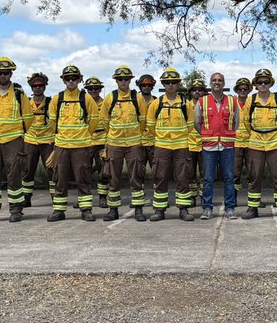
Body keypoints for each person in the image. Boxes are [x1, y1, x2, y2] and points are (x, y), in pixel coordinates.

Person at [0, 56, 33, 223]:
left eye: (6, 73)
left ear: (11, 74)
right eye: (0, 73)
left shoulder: (18, 93)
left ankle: (16, 210)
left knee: (14, 175)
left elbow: (28, 117)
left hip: (13, 141)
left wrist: (16, 133)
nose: (3, 76)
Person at [238, 69, 277, 219]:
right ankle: (253, 208)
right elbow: (245, 121)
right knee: (254, 176)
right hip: (255, 144)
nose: (263, 84)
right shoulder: (251, 99)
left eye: (266, 81)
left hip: (275, 144)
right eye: (260, 82)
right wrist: (255, 134)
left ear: (270, 83)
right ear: (255, 84)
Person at [47, 65, 98, 221]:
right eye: (68, 78)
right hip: (62, 146)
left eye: (74, 78)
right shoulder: (58, 98)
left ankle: (86, 210)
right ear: (63, 80)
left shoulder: (86, 98)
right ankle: (59, 211)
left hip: (81, 146)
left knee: (83, 178)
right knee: (60, 179)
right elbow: (52, 123)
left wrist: (84, 135)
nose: (71, 81)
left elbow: (94, 120)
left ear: (79, 79)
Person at [145, 68, 195, 221]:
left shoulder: (186, 104)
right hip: (162, 146)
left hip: (181, 146)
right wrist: (163, 137)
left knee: (183, 177)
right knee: (160, 177)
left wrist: (178, 137)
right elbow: (151, 125)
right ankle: (160, 210)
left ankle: (183, 209)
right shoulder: (156, 103)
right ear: (163, 84)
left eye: (173, 82)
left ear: (178, 84)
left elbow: (190, 125)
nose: (170, 85)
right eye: (167, 82)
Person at [102, 65, 147, 221]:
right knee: (113, 178)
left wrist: (135, 136)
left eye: (126, 79)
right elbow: (105, 121)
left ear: (130, 80)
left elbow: (143, 121)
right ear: (116, 81)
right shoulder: (110, 97)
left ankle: (138, 210)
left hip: (134, 143)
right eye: (120, 79)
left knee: (136, 177)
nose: (123, 81)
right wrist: (113, 136)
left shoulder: (137, 98)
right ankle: (113, 210)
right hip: (115, 144)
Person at [195, 72, 238, 219]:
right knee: (208, 178)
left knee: (229, 178)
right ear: (210, 83)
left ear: (224, 83)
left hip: (227, 146)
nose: (217, 82)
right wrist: (207, 135)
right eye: (214, 80)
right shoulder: (202, 101)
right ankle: (207, 209)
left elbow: (237, 122)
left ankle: (230, 208)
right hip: (209, 146)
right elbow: (197, 123)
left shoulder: (233, 101)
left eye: (220, 80)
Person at [21, 72, 54, 208]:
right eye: (35, 86)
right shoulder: (26, 103)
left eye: (40, 85)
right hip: (30, 141)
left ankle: (56, 197)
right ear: (31, 87)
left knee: (52, 170)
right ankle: (26, 198)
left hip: (47, 142)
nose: (38, 88)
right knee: (28, 171)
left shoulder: (51, 102)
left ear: (44, 87)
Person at [83, 76, 110, 207]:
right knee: (83, 171)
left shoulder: (106, 103)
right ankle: (84, 198)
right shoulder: (82, 103)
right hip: (86, 141)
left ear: (100, 89)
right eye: (90, 88)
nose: (93, 90)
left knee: (103, 171)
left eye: (96, 88)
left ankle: (102, 197)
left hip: (102, 140)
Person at [186, 78, 206, 205]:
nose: (197, 92)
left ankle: (204, 196)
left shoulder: (207, 104)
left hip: (205, 143)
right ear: (190, 92)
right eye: (194, 90)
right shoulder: (186, 105)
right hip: (189, 143)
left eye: (200, 90)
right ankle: (192, 196)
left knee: (205, 173)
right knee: (190, 173)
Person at [232, 76, 252, 199]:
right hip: (235, 143)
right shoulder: (232, 103)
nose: (242, 91)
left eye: (245, 89)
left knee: (253, 173)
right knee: (234, 173)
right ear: (237, 90)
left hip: (251, 143)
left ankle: (254, 198)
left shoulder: (254, 102)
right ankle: (232, 198)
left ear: (249, 90)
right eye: (240, 89)